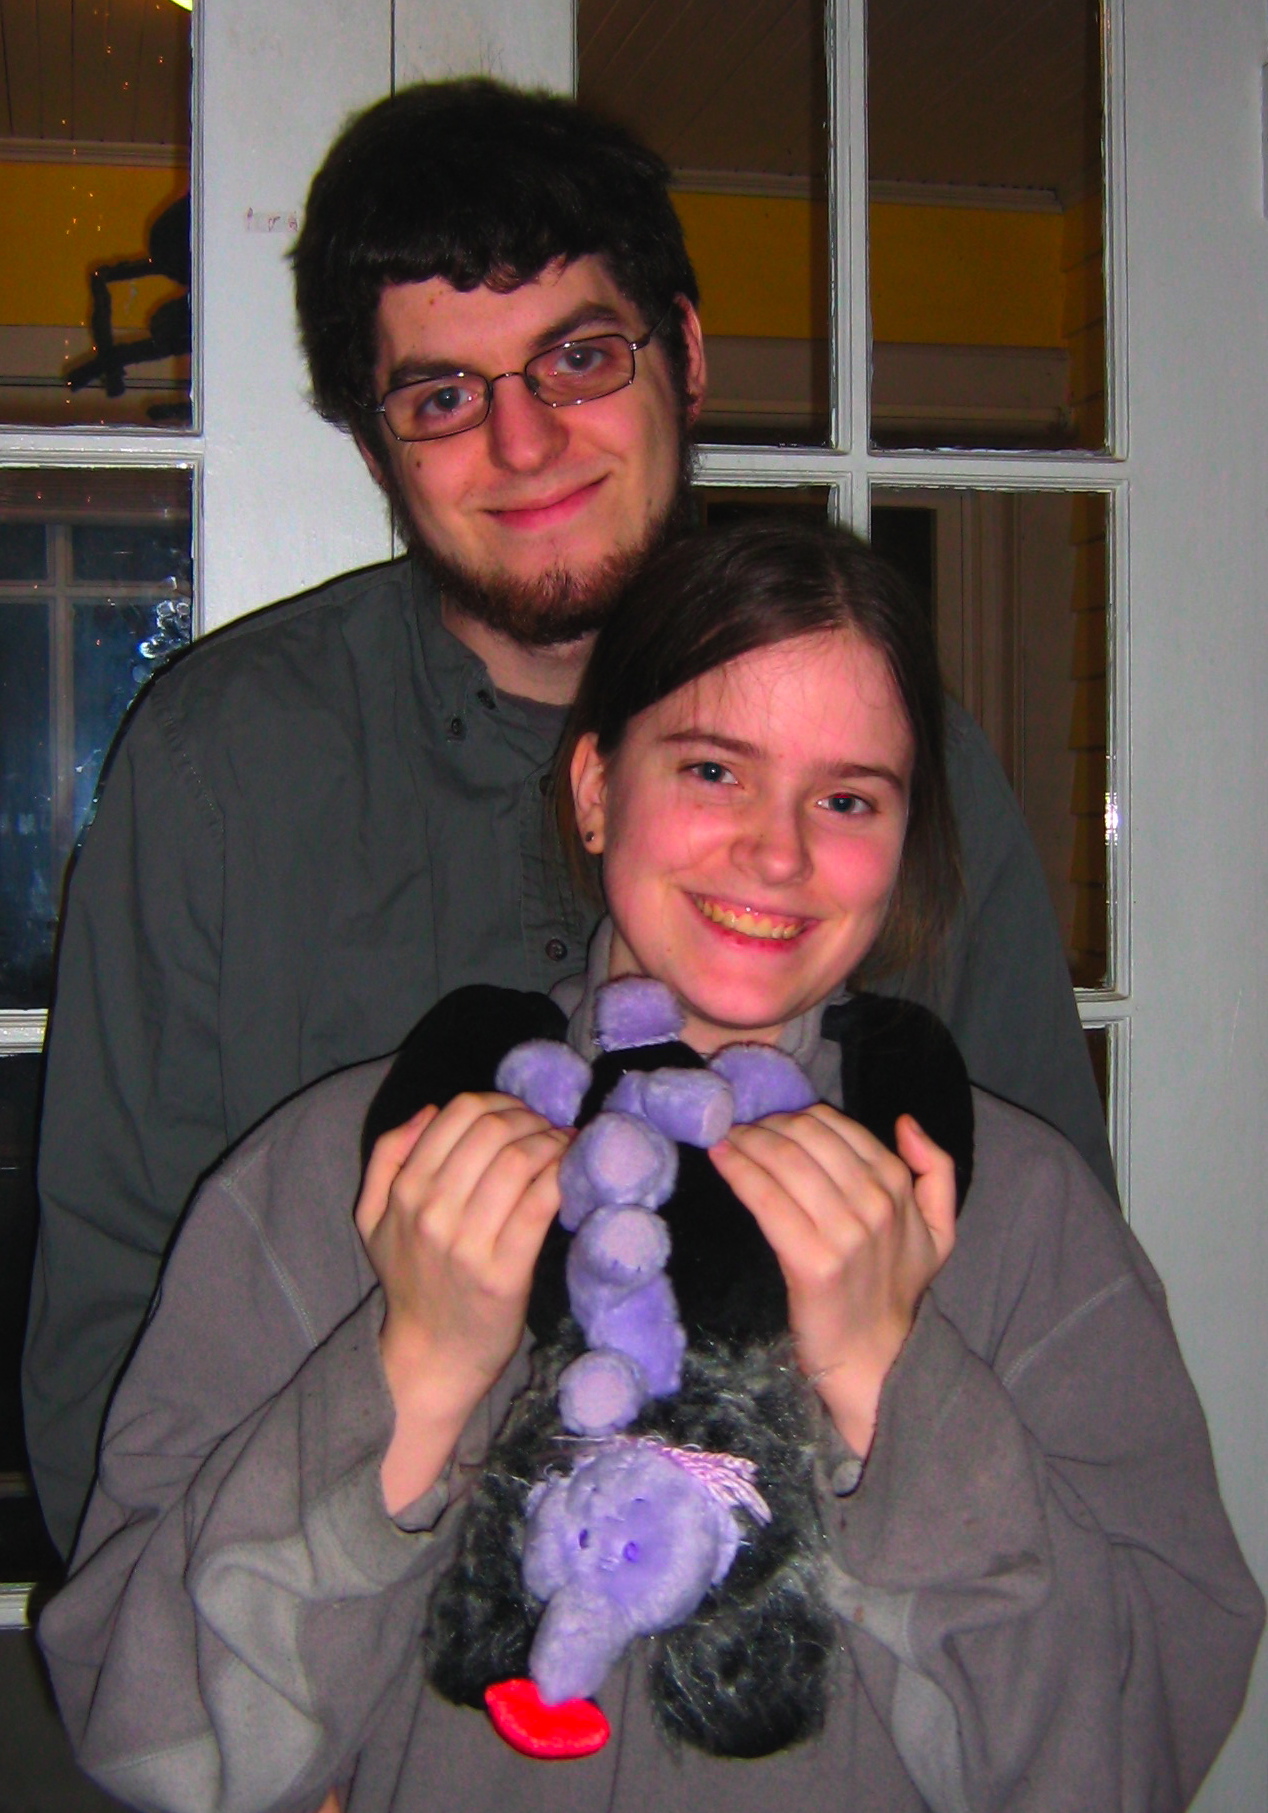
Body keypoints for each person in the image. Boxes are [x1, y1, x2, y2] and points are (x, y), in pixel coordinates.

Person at [24, 78, 1114, 1566]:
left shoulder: (900, 762)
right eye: (443, 397)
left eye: (581, 358)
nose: (525, 442)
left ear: (687, 357)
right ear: (375, 447)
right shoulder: (220, 768)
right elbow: (113, 1327)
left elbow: (1052, 1305)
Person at [39, 522, 1262, 1813]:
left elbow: (1124, 1762)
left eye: (848, 798)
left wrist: (894, 1381)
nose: (778, 852)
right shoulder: (344, 1175)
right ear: (594, 788)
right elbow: (155, 1737)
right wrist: (411, 1371)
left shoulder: (1014, 1213)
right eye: (714, 769)